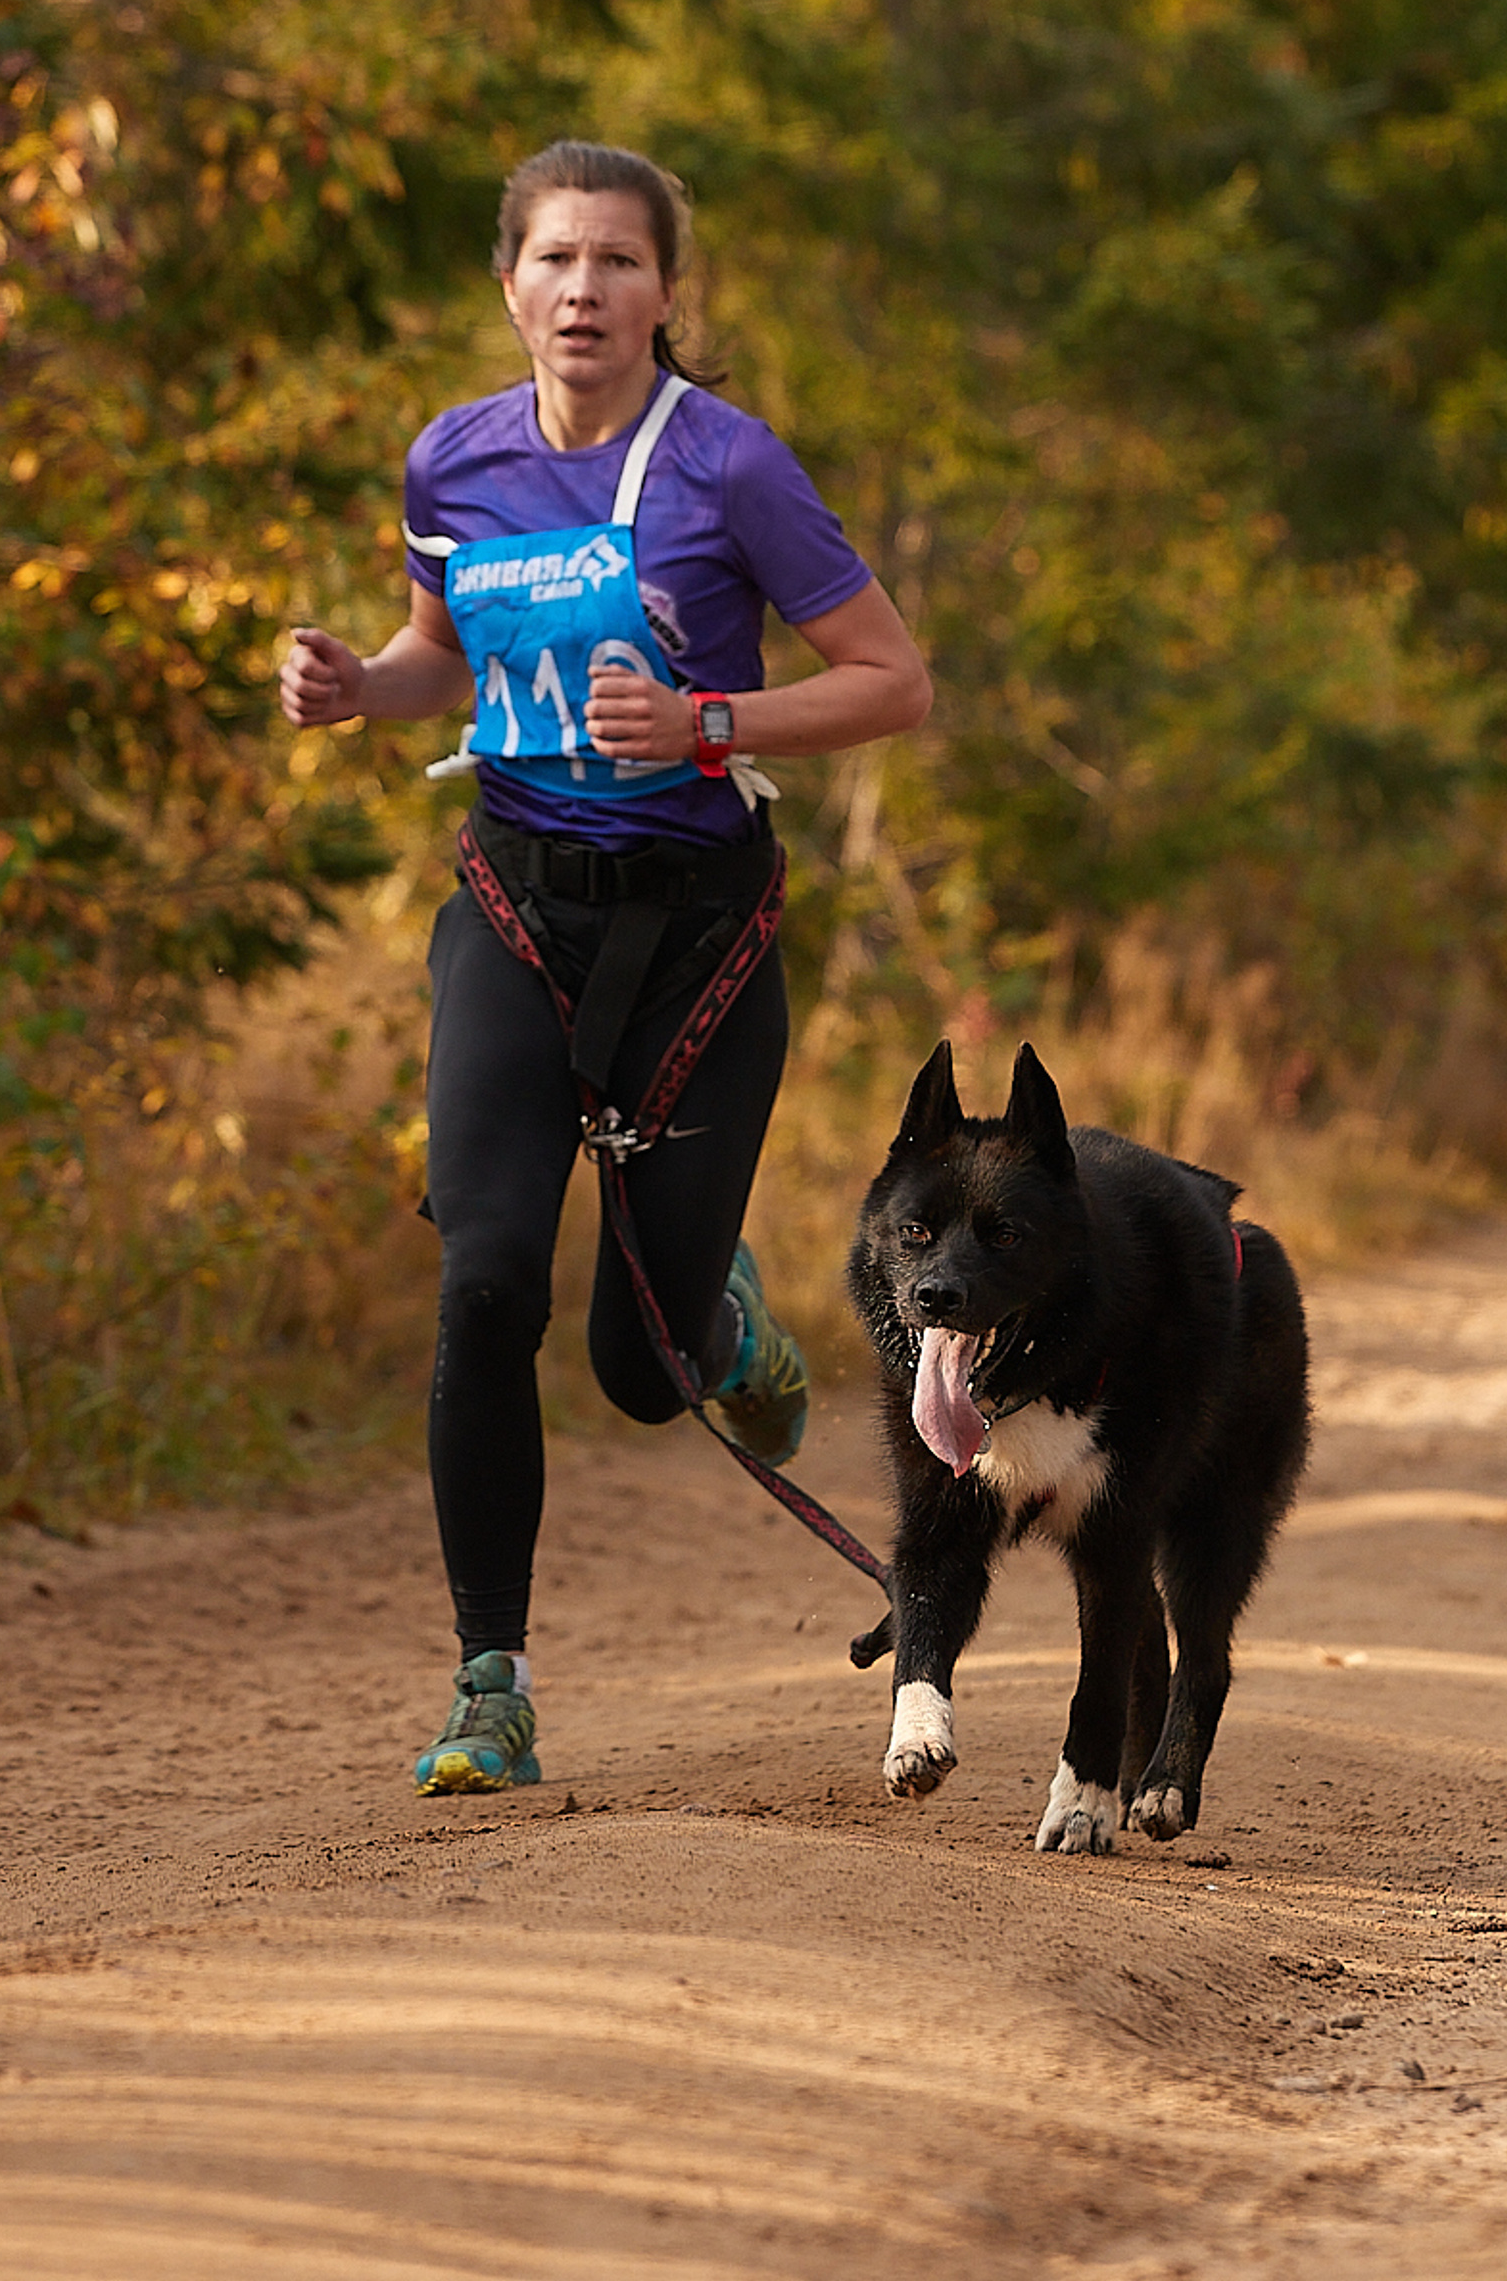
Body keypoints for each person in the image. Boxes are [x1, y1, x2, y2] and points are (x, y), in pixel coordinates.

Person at [279, 140, 931, 1794]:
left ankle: (717, 1323)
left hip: (700, 937)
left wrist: (713, 723)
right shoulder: (454, 460)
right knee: (488, 1277)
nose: (585, 290)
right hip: (514, 912)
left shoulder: (732, 469)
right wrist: (364, 685)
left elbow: (890, 682)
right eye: (556, 259)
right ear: (509, 280)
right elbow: (443, 654)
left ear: (665, 292)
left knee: (641, 1377)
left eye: (619, 263)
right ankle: (487, 1681)